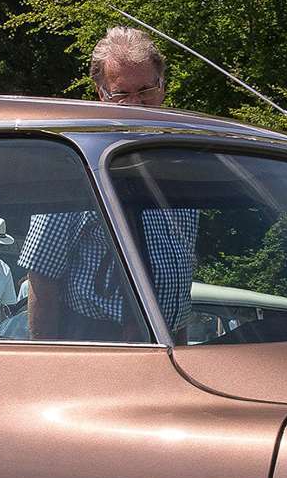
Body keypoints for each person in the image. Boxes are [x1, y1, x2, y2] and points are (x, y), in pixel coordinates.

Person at [27, 27, 197, 339]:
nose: (136, 105)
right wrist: (47, 368)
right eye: (122, 94)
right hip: (95, 343)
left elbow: (179, 285)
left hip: (168, 347)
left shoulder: (180, 171)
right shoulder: (74, 165)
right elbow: (41, 278)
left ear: (163, 87)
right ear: (101, 94)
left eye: (146, 91)